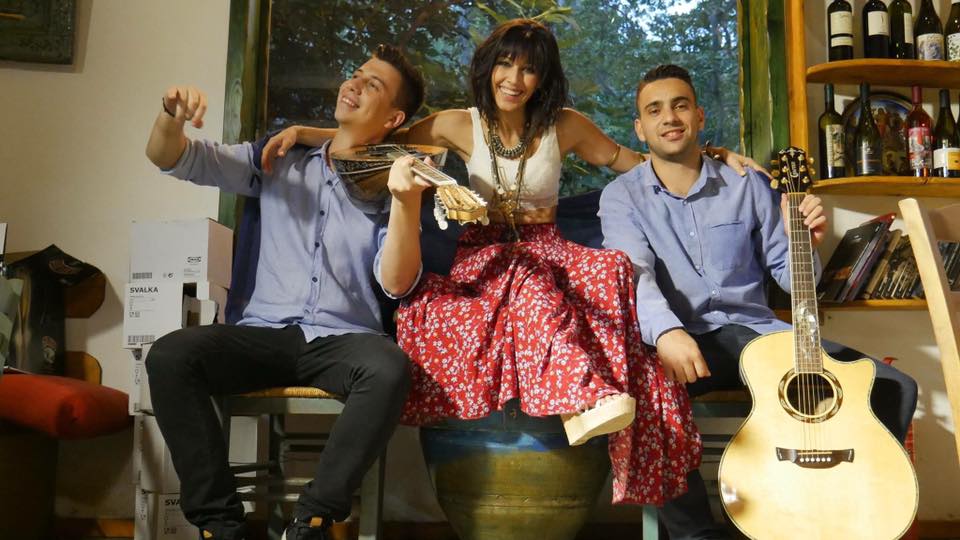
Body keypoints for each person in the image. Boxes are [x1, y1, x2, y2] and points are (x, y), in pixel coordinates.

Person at [599, 64, 919, 539]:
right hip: (684, 340)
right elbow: (634, 273)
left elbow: (791, 277)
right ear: (640, 128)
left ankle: (847, 509)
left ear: (699, 117)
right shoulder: (621, 197)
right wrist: (666, 332)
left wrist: (804, 240)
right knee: (643, 397)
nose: (669, 117)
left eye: (680, 105)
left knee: (893, 386)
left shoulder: (746, 184)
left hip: (758, 337)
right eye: (655, 110)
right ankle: (697, 535)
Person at [143, 44, 426, 540]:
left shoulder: (395, 183)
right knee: (170, 356)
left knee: (389, 368)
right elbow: (171, 157)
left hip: (344, 340)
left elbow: (397, 283)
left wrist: (405, 203)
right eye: (356, 75)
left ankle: (311, 521)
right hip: (263, 334)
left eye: (373, 85)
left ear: (393, 118)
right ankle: (219, 525)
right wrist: (171, 114)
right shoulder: (278, 157)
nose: (353, 85)